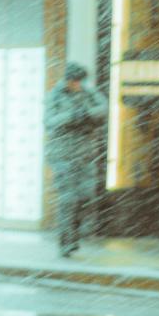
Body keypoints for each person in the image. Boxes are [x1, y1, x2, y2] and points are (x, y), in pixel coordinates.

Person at [45, 62, 108, 258]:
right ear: (67, 80)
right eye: (74, 81)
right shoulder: (55, 96)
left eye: (80, 81)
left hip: (85, 154)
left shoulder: (89, 93)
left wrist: (87, 114)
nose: (77, 85)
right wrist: (71, 116)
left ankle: (75, 235)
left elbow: (104, 108)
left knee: (85, 196)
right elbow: (49, 121)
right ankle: (66, 242)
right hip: (62, 155)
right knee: (68, 200)